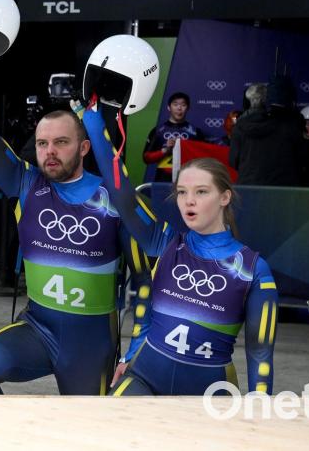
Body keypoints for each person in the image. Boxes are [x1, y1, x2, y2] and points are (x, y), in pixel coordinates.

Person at [0, 24, 147, 396]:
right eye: (42, 143)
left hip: (91, 342)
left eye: (61, 142)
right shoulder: (26, 184)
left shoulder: (115, 198)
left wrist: (135, 351)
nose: (49, 151)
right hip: (37, 328)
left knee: (87, 435)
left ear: (84, 148)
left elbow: (147, 283)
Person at [83, 99, 278, 394]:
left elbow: (260, 353)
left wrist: (258, 409)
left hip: (210, 391)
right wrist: (93, 120)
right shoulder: (164, 243)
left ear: (225, 197)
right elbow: (122, 194)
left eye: (201, 192)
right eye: (182, 192)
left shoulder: (253, 270)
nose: (189, 200)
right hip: (145, 376)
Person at [229, 78, 304, 186]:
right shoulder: (289, 125)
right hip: (281, 189)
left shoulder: (239, 126)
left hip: (249, 187)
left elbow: (233, 161)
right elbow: (299, 159)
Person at [143, 92, 205, 182]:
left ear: (187, 108)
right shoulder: (158, 131)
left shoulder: (195, 132)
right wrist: (165, 150)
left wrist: (185, 147)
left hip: (188, 178)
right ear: (169, 107)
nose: (179, 108)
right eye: (175, 104)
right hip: (163, 179)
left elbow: (203, 159)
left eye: (183, 105)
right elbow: (146, 158)